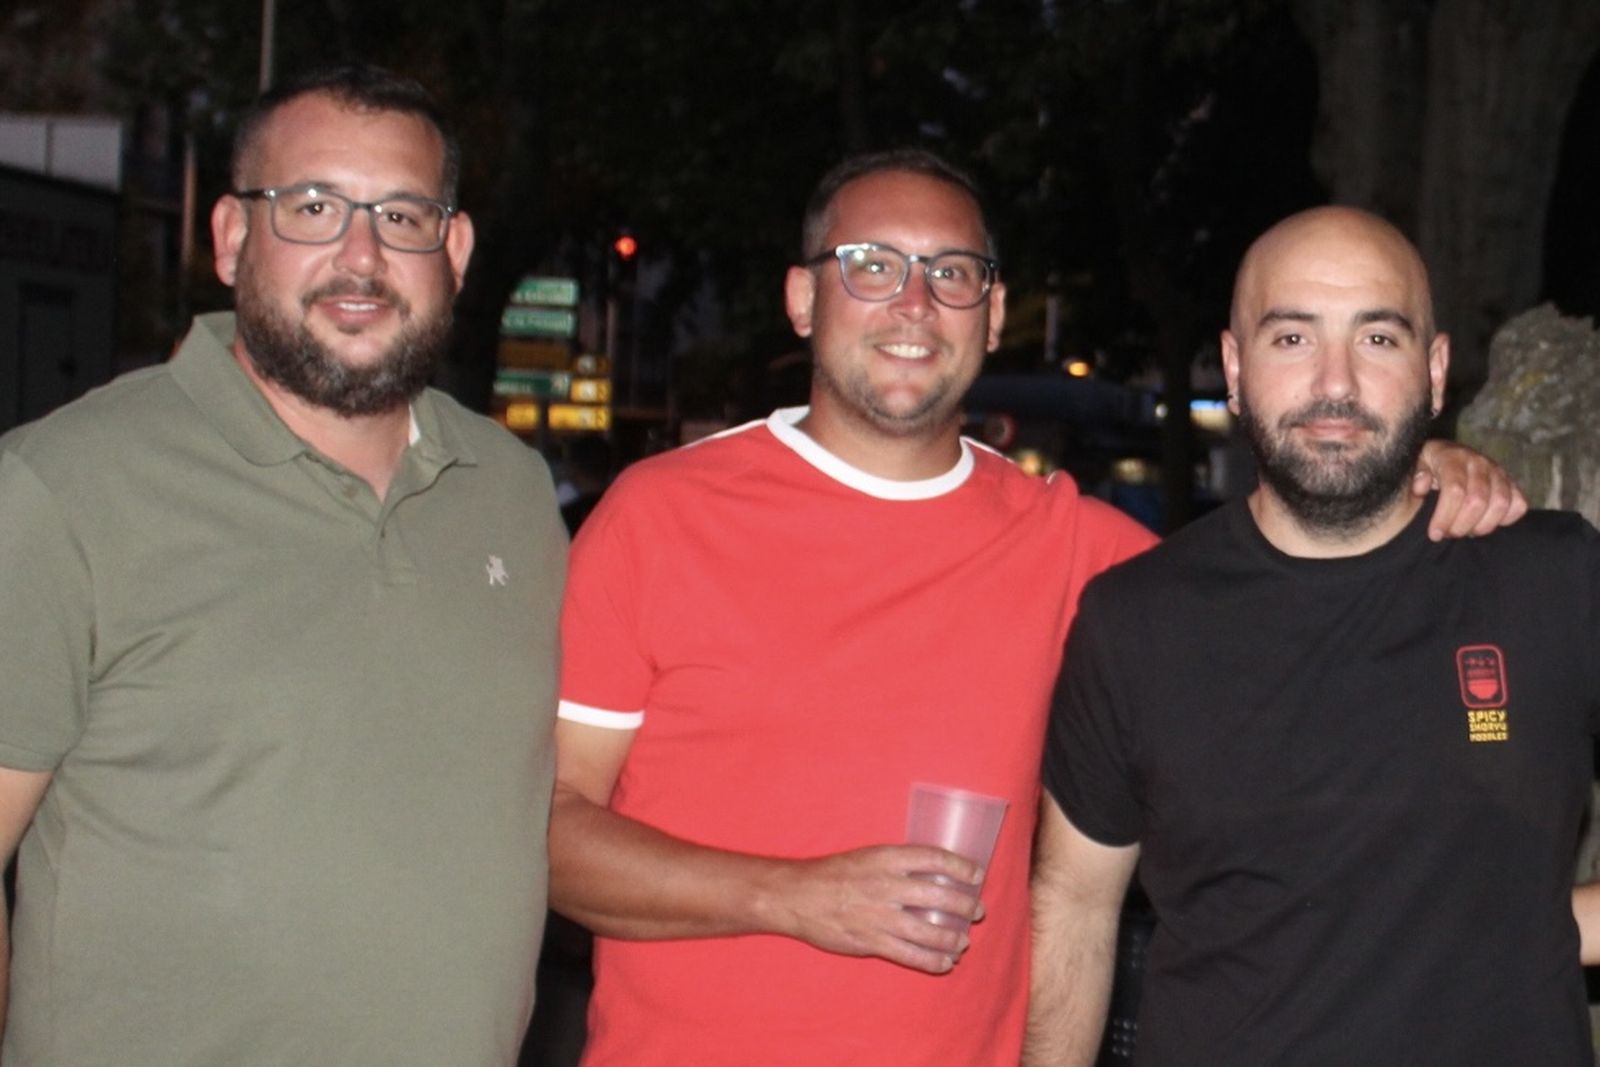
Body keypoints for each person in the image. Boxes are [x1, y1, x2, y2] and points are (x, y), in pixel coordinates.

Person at [548, 154, 1522, 1066]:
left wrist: (1405, 467)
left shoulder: (1075, 548)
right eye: (871, 265)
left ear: (994, 308)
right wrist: (787, 894)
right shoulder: (661, 514)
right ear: (803, 299)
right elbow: (544, 831)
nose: (915, 301)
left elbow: (1287, 577)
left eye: (952, 272)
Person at [0, 65, 566, 1065]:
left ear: (456, 249)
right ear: (229, 238)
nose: (360, 255)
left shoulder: (514, 495)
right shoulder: (60, 487)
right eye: (310, 206)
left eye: (401, 214)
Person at [1026, 206, 1596, 1065]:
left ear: (1435, 372)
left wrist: (1542, 928)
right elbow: (1072, 905)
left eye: (1378, 339)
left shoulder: (1555, 578)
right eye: (1292, 339)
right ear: (1235, 366)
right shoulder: (1134, 619)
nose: (1337, 382)